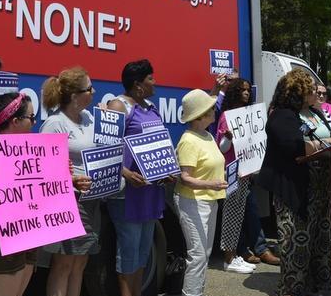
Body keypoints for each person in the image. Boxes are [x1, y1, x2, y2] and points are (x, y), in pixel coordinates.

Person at [257, 69, 331, 296]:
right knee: (297, 241)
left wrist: (324, 144)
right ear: (297, 91)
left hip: (319, 189)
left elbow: (314, 140)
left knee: (319, 239)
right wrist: (329, 143)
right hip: (295, 188)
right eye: (310, 89)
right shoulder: (282, 115)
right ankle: (294, 289)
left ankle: (321, 284)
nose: (316, 93)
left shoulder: (315, 112)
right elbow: (297, 146)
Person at [106, 59, 175, 296]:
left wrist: (167, 170)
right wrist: (125, 173)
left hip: (151, 192)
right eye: (150, 79)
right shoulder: (118, 106)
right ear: (138, 84)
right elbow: (105, 149)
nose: (155, 83)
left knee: (142, 255)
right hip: (127, 195)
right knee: (128, 254)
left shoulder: (151, 107)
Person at [39, 67, 101, 296]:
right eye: (89, 88)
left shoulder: (89, 118)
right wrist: (72, 180)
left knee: (80, 263)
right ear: (75, 96)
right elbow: (44, 167)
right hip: (68, 201)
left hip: (91, 200)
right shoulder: (56, 123)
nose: (94, 92)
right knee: (63, 263)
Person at [0, 93, 41, 295]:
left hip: (28, 232)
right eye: (31, 117)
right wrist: (0, 184)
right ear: (16, 121)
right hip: (0, 238)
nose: (35, 122)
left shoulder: (32, 149)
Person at [216, 77, 278, 272]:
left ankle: (235, 254)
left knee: (240, 213)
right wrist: (227, 137)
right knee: (231, 215)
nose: (246, 92)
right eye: (242, 90)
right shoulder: (227, 116)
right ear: (234, 92)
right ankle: (229, 257)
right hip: (232, 171)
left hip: (245, 172)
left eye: (247, 90)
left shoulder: (249, 115)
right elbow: (222, 148)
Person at [175, 89, 229, 296]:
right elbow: (185, 177)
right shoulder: (188, 140)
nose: (214, 110)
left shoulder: (206, 135)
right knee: (197, 255)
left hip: (209, 200)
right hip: (192, 201)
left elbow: (212, 166)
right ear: (200, 115)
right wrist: (211, 185)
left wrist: (228, 174)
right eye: (209, 108)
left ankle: (197, 291)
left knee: (203, 253)